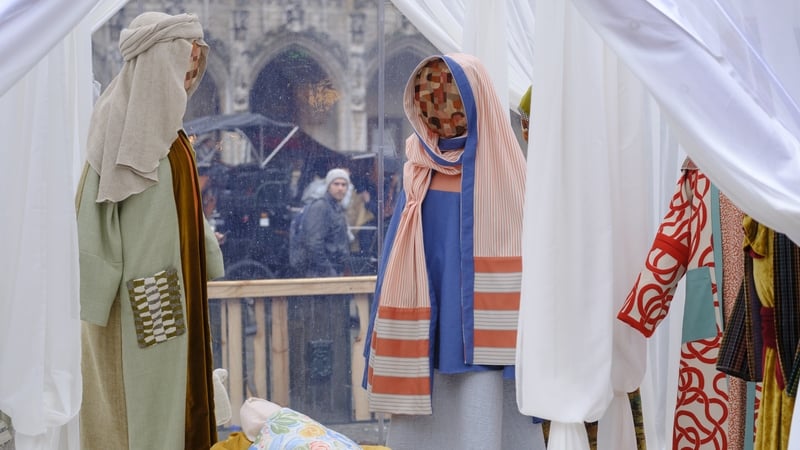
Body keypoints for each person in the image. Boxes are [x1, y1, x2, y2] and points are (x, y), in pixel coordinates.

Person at [363, 54, 545, 450]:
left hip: (488, 341)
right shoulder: (418, 172)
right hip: (425, 334)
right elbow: (398, 256)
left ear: (477, 102)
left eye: (452, 97)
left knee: (484, 423)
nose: (442, 109)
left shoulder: (508, 178)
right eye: (430, 97)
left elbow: (536, 267)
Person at [75, 12, 224, 450]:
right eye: (186, 63)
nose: (190, 75)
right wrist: (96, 299)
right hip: (140, 295)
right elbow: (94, 216)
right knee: (142, 406)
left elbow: (186, 205)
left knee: (183, 391)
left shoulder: (172, 137)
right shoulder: (116, 132)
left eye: (195, 65)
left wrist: (205, 252)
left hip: (180, 285)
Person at [301, 168, 352, 277]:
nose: (340, 188)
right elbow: (313, 243)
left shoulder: (336, 208)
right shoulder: (321, 207)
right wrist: (328, 271)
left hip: (332, 271)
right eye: (336, 184)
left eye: (344, 185)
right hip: (320, 274)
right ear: (328, 186)